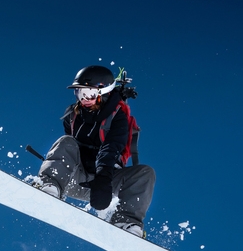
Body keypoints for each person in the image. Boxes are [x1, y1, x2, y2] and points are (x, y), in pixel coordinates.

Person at [35, 65, 155, 238]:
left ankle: (126, 221)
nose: (84, 99)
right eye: (80, 93)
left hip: (105, 186)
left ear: (103, 93)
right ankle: (50, 185)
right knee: (66, 141)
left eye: (89, 94)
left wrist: (103, 178)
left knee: (146, 173)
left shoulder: (118, 118)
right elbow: (69, 149)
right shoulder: (73, 115)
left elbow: (111, 147)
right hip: (75, 180)